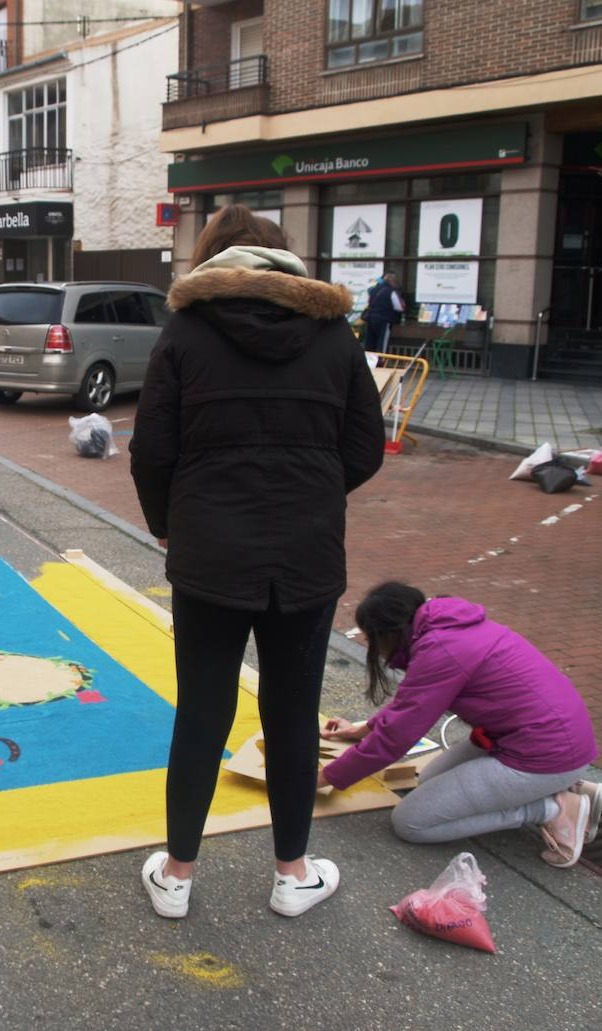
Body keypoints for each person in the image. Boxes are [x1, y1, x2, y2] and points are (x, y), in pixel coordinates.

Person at [129, 204, 386, 919]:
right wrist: (310, 490)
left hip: (209, 551)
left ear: (212, 258)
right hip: (306, 553)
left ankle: (176, 875)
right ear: (284, 259)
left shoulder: (185, 331)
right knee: (294, 712)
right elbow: (367, 446)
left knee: (202, 711)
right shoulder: (333, 336)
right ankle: (292, 873)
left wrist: (168, 525)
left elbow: (151, 450)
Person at [320, 582, 602, 869]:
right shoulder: (444, 628)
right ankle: (557, 787)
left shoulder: (442, 650)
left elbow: (395, 738)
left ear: (390, 633)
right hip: (534, 739)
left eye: (372, 640)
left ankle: (552, 808)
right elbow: (410, 705)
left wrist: (323, 778)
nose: (374, 649)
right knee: (427, 780)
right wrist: (362, 730)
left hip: (545, 755)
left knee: (411, 823)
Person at [360, 273, 404, 352]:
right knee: (382, 343)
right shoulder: (390, 292)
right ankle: (380, 361)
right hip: (384, 320)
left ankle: (369, 361)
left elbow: (369, 302)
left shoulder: (373, 290)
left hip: (371, 319)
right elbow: (399, 307)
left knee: (369, 343)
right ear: (392, 282)